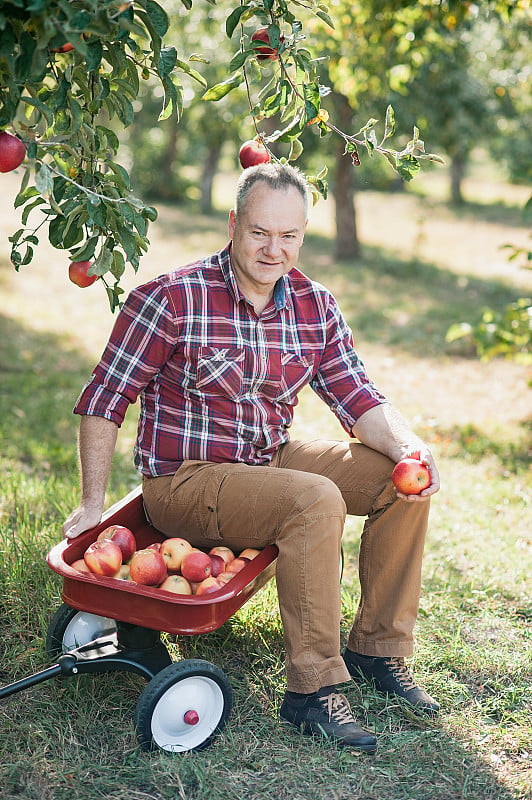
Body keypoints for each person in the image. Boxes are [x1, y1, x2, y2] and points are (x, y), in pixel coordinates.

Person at [63, 163, 440, 753]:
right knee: (315, 497)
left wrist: (408, 448)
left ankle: (377, 650)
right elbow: (105, 399)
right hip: (187, 481)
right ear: (234, 223)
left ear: (303, 235)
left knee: (400, 482)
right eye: (261, 232)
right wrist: (91, 505)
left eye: (289, 236)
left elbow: (357, 395)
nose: (274, 249)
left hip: (265, 460)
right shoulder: (170, 298)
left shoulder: (314, 305)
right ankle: (312, 690)